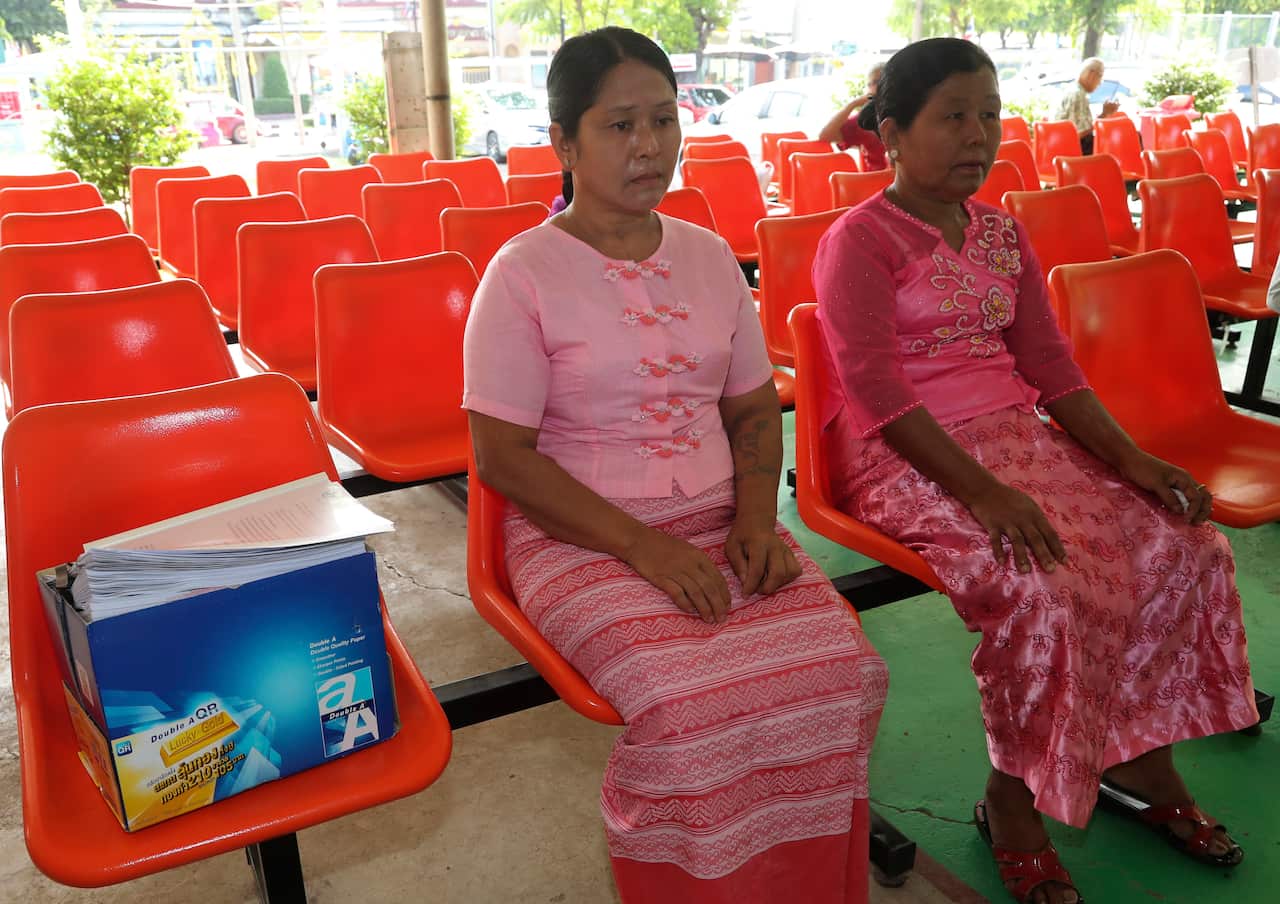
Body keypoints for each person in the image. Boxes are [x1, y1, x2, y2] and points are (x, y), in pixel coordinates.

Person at [814, 37, 1256, 904]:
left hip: (1015, 437)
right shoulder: (857, 242)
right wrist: (984, 493)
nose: (978, 135)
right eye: (954, 117)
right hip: (906, 454)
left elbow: (1052, 372)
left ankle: (1144, 768)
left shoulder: (1003, 233)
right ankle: (1009, 803)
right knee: (1045, 585)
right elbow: (874, 390)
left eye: (989, 114)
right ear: (894, 132)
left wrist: (1134, 461)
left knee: (1185, 546)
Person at [463, 27, 888, 904]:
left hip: (722, 516)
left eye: (663, 119)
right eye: (620, 125)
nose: (649, 144)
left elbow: (747, 408)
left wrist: (757, 523)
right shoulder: (522, 274)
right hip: (578, 534)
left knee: (844, 668)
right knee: (688, 703)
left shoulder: (703, 254)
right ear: (565, 144)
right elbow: (501, 457)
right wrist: (644, 550)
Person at [819, 63, 888, 169]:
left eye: (882, 81)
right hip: (876, 182)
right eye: (873, 83)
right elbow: (826, 135)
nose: (878, 87)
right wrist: (852, 105)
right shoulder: (863, 120)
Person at [1056, 58, 1119, 154]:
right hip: (1071, 152)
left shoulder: (1070, 90)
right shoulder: (1078, 95)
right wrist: (1104, 114)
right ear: (1091, 75)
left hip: (1060, 147)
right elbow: (1079, 134)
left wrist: (1104, 114)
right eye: (1100, 77)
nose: (1100, 83)